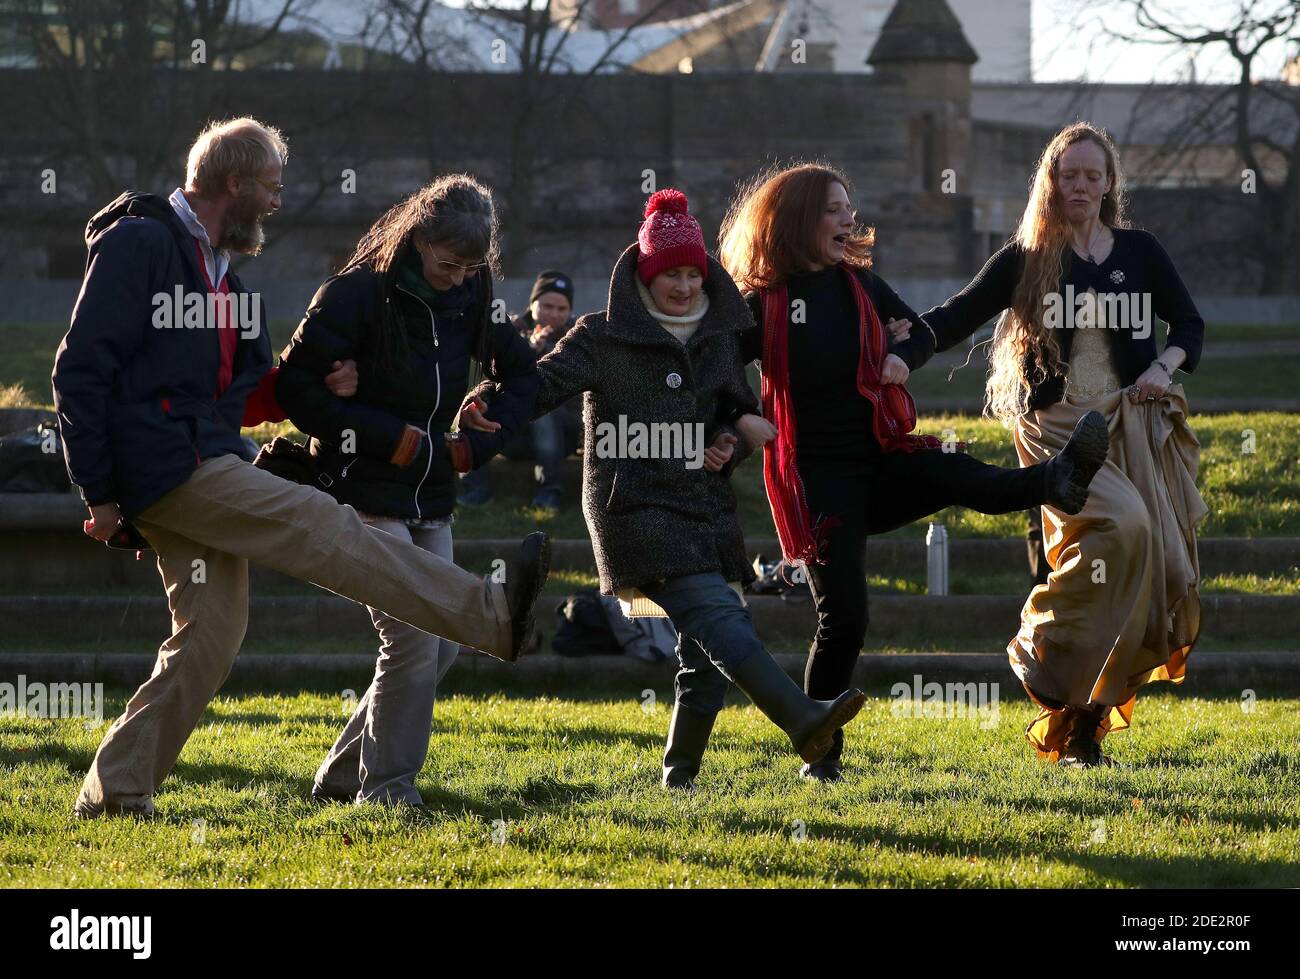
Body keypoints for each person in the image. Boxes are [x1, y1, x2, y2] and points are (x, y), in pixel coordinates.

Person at [52, 118, 550, 819]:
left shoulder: (220, 268)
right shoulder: (143, 242)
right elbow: (79, 368)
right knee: (322, 523)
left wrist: (329, 383)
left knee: (209, 638)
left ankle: (113, 792)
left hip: (200, 457)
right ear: (236, 183)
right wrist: (97, 490)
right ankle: (495, 616)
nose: (278, 202)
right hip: (170, 468)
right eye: (272, 187)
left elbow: (254, 390)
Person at [717, 162, 1110, 781]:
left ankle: (1057, 480)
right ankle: (821, 757)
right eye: (835, 209)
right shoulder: (761, 307)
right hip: (818, 486)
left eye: (850, 205)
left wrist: (902, 355)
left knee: (954, 472)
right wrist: (742, 419)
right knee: (844, 616)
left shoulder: (860, 287)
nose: (850, 218)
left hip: (882, 460)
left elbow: (922, 330)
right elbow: (718, 376)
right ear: (798, 221)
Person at [463, 189, 868, 788]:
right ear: (644, 274)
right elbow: (540, 387)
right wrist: (485, 401)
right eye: (669, 274)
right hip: (633, 505)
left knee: (703, 654)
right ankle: (801, 717)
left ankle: (677, 782)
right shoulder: (599, 336)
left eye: (691, 274)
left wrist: (734, 428)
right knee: (718, 614)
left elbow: (725, 411)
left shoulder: (719, 335)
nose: (682, 286)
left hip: (701, 506)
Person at [920, 123, 1206, 767]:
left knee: (1153, 563)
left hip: (1131, 417)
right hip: (1059, 427)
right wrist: (891, 345)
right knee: (1124, 526)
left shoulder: (1141, 251)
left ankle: (1084, 724)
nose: (1080, 185)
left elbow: (1188, 323)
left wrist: (1162, 368)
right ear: (1050, 181)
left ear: (1109, 185)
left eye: (1092, 175)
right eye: (1068, 174)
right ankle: (1040, 642)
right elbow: (953, 317)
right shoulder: (1028, 256)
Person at [274, 174, 541, 806]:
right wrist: (382, 434)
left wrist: (479, 434)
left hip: (431, 494)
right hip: (359, 488)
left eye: (474, 266)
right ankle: (388, 789)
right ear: (417, 239)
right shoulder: (353, 296)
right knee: (415, 638)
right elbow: (293, 390)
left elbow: (522, 374)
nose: (459, 276)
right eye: (449, 263)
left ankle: (341, 775)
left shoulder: (474, 294)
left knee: (441, 643)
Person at [459, 270, 581, 511]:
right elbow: (489, 380)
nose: (554, 314)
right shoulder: (508, 331)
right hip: (512, 432)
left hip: (559, 432)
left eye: (561, 309)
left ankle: (549, 492)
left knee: (543, 410)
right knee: (475, 407)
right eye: (547, 306)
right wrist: (524, 352)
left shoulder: (579, 338)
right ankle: (475, 489)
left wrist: (539, 355)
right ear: (533, 304)